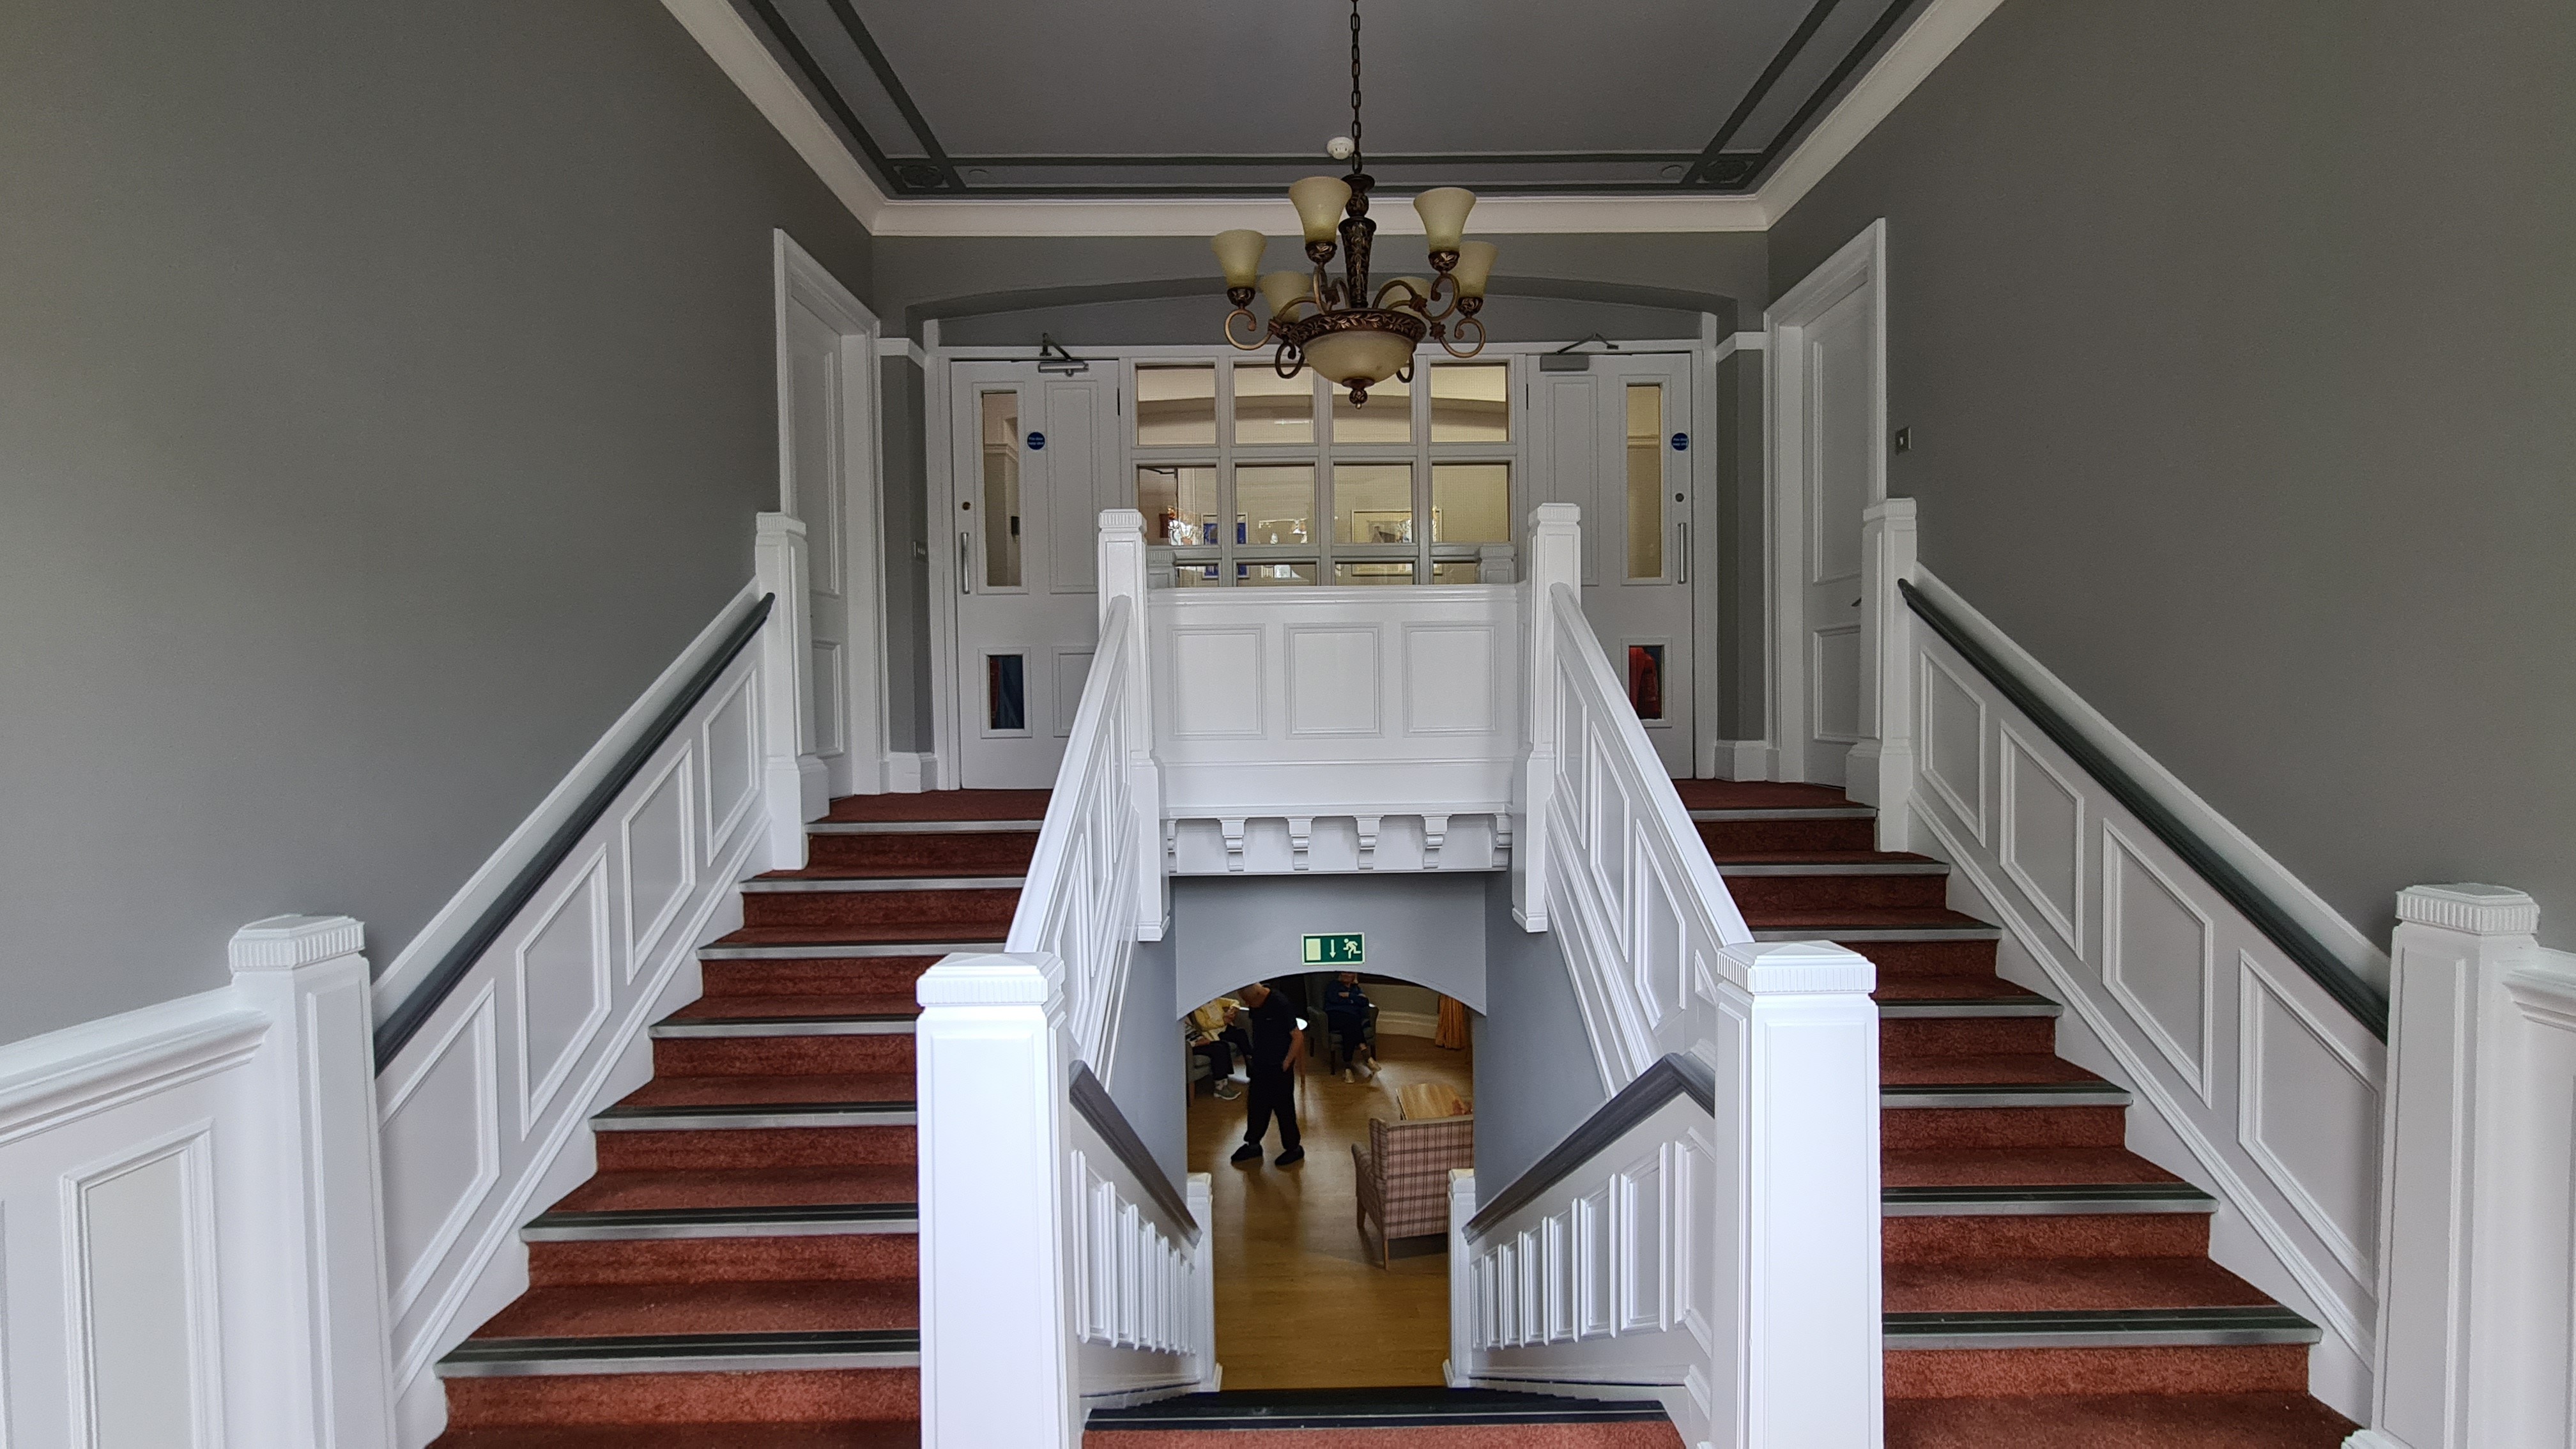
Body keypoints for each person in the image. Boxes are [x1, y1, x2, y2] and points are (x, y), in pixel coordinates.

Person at [1228, 979, 1304, 1167]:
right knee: (1256, 1106)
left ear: (1259, 996)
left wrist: (1286, 1063)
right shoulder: (1255, 1001)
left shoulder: (1280, 1004)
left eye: (1249, 1002)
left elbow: (1297, 1036)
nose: (1248, 1006)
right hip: (1261, 1064)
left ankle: (1294, 1149)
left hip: (1279, 1067)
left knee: (1284, 1109)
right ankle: (1253, 1144)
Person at [1186, 995, 1246, 1100]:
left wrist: (1201, 1038)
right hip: (1191, 1046)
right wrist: (1196, 1043)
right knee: (1219, 1049)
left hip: (1199, 1039)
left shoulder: (1185, 1018)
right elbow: (1200, 1028)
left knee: (1223, 1045)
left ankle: (1224, 1083)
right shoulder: (1197, 1010)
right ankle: (1220, 1088)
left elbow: (1193, 1031)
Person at [1324, 971, 1377, 1081]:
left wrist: (1349, 996)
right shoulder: (1333, 985)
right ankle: (1366, 1055)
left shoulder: (1356, 989)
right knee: (1352, 1021)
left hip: (1350, 1020)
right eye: (1344, 973)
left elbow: (1365, 1002)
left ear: (1354, 976)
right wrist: (1354, 1000)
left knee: (1350, 1027)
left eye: (1349, 973)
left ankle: (1348, 1068)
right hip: (1335, 1017)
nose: (1346, 975)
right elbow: (1334, 999)